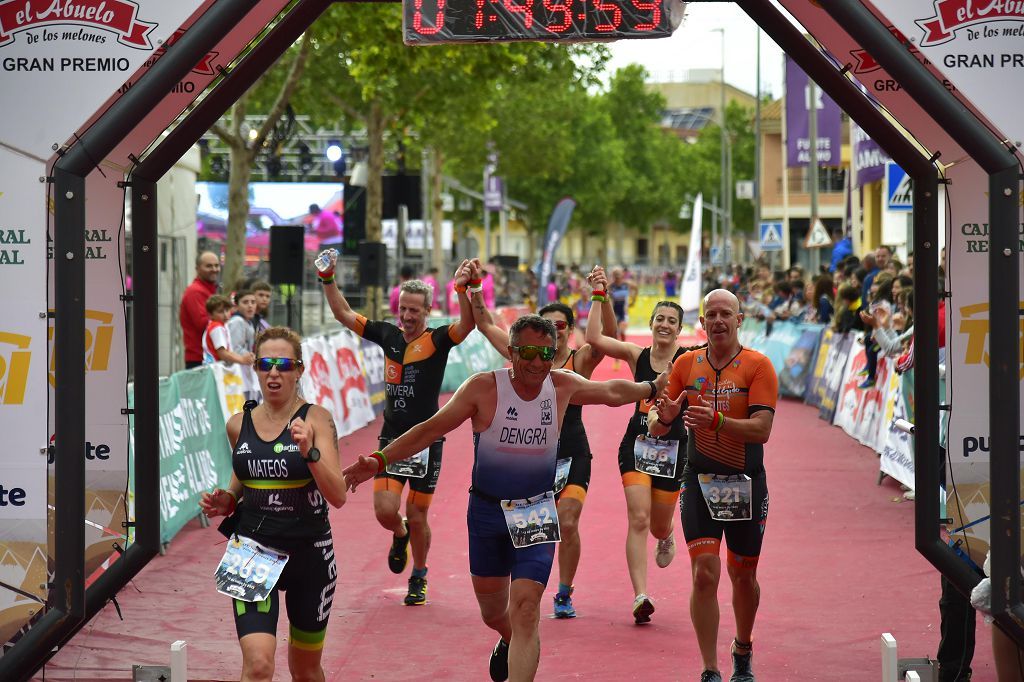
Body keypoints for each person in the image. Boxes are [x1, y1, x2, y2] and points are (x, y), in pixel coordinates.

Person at [342, 314, 670, 682]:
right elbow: (430, 429)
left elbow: (612, 393)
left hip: (536, 511)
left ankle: (520, 650)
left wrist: (651, 388)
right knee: (494, 613)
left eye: (545, 354)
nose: (536, 362)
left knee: (527, 609)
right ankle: (509, 639)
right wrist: (379, 460)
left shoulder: (561, 385)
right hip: (486, 512)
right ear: (511, 352)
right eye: (527, 352)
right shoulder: (483, 388)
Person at [319, 251, 475, 605]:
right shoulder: (387, 334)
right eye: (403, 309)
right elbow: (344, 314)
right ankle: (399, 532)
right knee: (386, 512)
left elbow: (467, 326)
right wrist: (328, 278)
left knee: (419, 515)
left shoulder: (437, 340)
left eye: (414, 311)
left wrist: (463, 290)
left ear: (427, 312)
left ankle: (418, 575)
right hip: (391, 439)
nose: (406, 316)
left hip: (427, 441)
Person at [198, 326, 347, 681]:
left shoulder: (316, 419)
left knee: (305, 670)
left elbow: (338, 495)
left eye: (284, 364)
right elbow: (245, 476)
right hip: (252, 550)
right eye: (266, 364)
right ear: (256, 369)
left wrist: (309, 453)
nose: (274, 373)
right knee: (259, 665)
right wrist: (228, 499)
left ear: (299, 370)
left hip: (310, 554)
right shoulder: (238, 424)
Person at [469, 261, 616, 619]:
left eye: (561, 327)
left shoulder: (579, 361)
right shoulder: (526, 356)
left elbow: (608, 339)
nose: (555, 333)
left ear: (568, 331)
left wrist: (602, 295)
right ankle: (519, 600)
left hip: (572, 454)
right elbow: (486, 323)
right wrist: (475, 289)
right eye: (548, 327)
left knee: (567, 520)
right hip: (531, 466)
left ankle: (564, 591)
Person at [650, 288, 778, 682]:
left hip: (746, 482)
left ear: (740, 320)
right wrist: (667, 417)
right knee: (704, 573)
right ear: (702, 323)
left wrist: (717, 422)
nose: (719, 320)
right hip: (699, 479)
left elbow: (762, 430)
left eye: (727, 314)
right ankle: (710, 669)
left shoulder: (758, 365)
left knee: (743, 575)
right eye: (712, 315)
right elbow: (655, 425)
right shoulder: (686, 364)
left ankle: (742, 647)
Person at [586, 265, 696, 625]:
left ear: (680, 329)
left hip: (674, 447)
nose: (664, 325)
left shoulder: (691, 360)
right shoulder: (638, 356)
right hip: (636, 443)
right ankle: (641, 595)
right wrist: (599, 293)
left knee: (657, 525)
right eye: (659, 319)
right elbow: (595, 339)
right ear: (650, 324)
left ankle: (666, 537)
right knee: (638, 517)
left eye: (671, 321)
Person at [180, 250, 220, 369]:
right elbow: (203, 323)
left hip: (208, 357)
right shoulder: (195, 292)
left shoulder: (208, 290)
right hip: (200, 359)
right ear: (197, 268)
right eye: (209, 266)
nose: (214, 269)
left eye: (216, 265)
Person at [202, 295, 255, 367]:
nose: (225, 315)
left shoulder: (219, 325)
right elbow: (223, 354)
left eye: (227, 310)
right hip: (216, 368)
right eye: (220, 312)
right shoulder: (217, 328)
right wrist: (242, 359)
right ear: (211, 315)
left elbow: (229, 351)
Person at [608, 268, 638, 369]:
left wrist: (633, 300)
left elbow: (636, 288)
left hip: (624, 312)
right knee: (616, 334)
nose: (617, 276)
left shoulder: (627, 284)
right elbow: (604, 293)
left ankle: (624, 349)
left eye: (618, 274)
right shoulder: (611, 286)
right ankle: (617, 359)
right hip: (615, 312)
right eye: (615, 274)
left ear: (622, 275)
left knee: (622, 332)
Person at [228, 290, 257, 354]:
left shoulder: (249, 322)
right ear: (237, 306)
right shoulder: (237, 321)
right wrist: (254, 358)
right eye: (245, 302)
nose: (250, 305)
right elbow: (234, 349)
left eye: (253, 302)